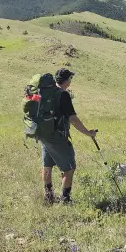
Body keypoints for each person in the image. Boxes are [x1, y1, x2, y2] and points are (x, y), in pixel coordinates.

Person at [40, 68, 97, 204]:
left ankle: (49, 197)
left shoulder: (47, 92)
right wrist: (88, 133)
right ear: (68, 80)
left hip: (43, 134)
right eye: (70, 78)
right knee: (69, 168)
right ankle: (65, 200)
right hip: (57, 137)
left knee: (47, 165)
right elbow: (73, 119)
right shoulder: (63, 95)